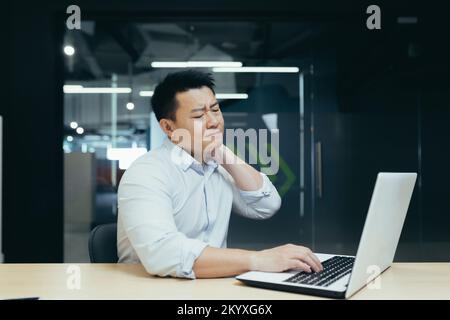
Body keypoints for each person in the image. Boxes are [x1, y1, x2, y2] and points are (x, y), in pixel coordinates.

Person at [117, 70, 323, 279]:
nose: (213, 121)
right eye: (199, 115)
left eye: (215, 110)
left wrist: (222, 152)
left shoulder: (218, 166)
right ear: (169, 127)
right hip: (152, 290)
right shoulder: (147, 173)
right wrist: (259, 260)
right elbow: (163, 254)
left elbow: (266, 205)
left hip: (209, 286)